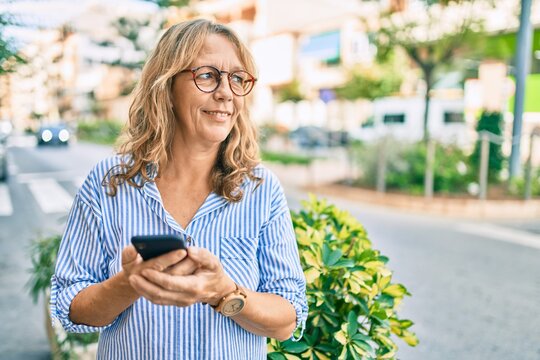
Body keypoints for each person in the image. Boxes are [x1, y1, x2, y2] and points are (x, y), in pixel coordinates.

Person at [50, 19, 308, 359]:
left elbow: (287, 318)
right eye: (207, 75)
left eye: (238, 78)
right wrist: (128, 283)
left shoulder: (260, 189)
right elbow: (70, 307)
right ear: (166, 87)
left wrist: (224, 292)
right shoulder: (108, 183)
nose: (226, 93)